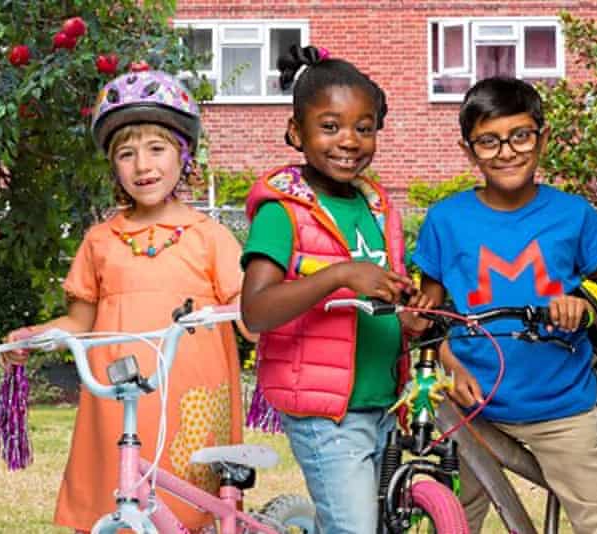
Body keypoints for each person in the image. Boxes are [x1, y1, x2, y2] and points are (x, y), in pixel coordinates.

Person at [1, 70, 244, 533]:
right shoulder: (101, 240)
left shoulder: (210, 236)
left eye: (157, 149)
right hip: (118, 394)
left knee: (189, 503)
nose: (142, 165)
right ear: (114, 167)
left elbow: (247, 312)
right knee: (117, 491)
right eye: (126, 154)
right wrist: (35, 337)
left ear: (183, 155)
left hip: (188, 393)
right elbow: (79, 322)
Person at [412, 76, 597, 533]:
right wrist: (432, 340)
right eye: (488, 142)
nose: (506, 152)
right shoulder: (445, 220)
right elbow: (432, 312)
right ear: (468, 149)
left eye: (520, 136)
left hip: (562, 406)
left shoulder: (573, 215)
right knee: (455, 520)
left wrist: (580, 304)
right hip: (475, 406)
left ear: (542, 137)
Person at [240, 45, 430, 534]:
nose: (349, 141)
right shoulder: (282, 213)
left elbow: (374, 299)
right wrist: (339, 274)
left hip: (385, 402)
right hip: (327, 414)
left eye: (363, 128)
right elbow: (256, 311)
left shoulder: (378, 209)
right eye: (330, 126)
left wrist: (405, 315)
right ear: (295, 132)